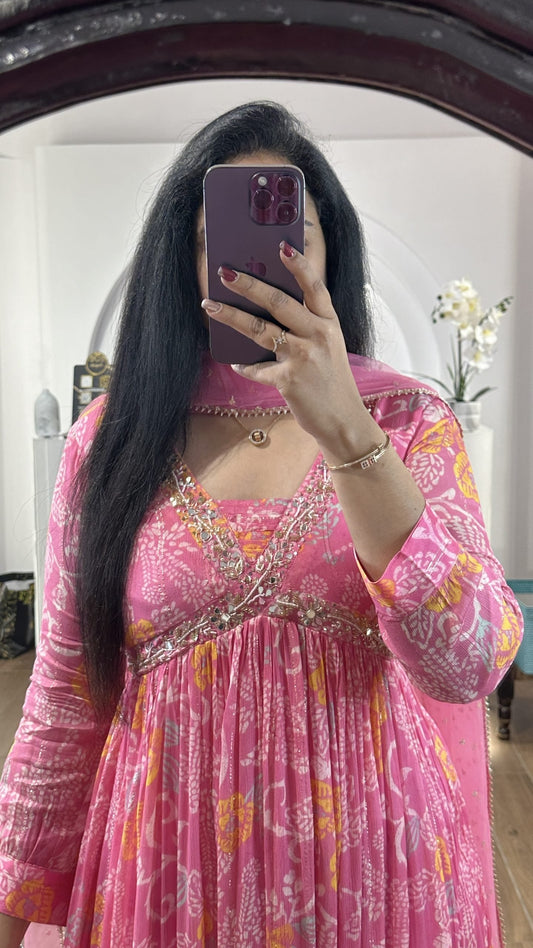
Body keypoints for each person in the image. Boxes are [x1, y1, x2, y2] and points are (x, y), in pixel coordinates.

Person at [0, 101, 523, 948]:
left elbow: (469, 661)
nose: (262, 265)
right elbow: (64, 696)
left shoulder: (405, 423)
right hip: (165, 872)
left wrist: (347, 432)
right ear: (183, 261)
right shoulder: (113, 438)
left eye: (292, 235)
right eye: (222, 239)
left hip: (374, 877)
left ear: (329, 250)